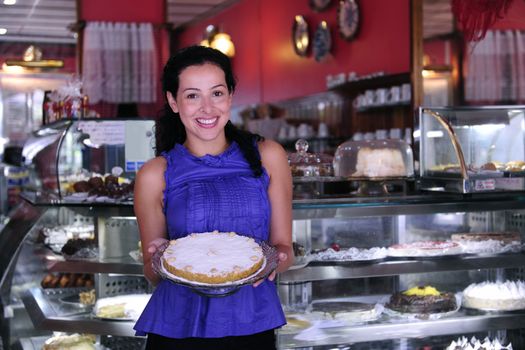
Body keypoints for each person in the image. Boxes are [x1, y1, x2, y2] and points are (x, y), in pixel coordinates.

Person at [133, 45, 293, 349]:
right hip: (176, 330)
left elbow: (284, 247)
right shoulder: (154, 174)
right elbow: (152, 273)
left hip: (252, 324)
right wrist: (158, 259)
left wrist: (276, 260)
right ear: (173, 101)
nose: (207, 108)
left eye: (216, 93)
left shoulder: (268, 156)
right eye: (193, 95)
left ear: (231, 96)